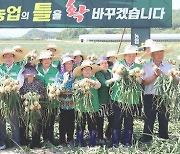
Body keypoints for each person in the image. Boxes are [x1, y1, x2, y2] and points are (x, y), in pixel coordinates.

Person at [140, 43, 179, 143]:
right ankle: (147, 139)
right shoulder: (146, 66)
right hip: (150, 95)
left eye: (161, 52)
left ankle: (163, 138)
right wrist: (155, 75)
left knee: (164, 117)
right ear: (152, 55)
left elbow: (177, 81)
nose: (160, 55)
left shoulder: (168, 66)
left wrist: (174, 76)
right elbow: (145, 82)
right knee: (149, 118)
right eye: (157, 53)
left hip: (164, 96)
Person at [109, 45, 143, 147]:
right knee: (117, 120)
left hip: (132, 99)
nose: (131, 57)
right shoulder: (118, 64)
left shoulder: (139, 67)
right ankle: (115, 142)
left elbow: (141, 81)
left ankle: (127, 142)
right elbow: (115, 78)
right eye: (129, 55)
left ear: (135, 56)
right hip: (118, 97)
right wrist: (120, 73)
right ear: (124, 56)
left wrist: (137, 77)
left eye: (133, 55)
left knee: (129, 120)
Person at [73, 60, 102, 147]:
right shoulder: (78, 79)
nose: (87, 71)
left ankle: (92, 143)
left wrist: (90, 82)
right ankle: (79, 142)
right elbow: (74, 86)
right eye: (85, 69)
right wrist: (81, 83)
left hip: (93, 107)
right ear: (81, 71)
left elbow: (98, 85)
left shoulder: (94, 79)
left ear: (91, 71)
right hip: (81, 107)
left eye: (89, 69)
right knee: (80, 125)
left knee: (92, 125)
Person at [0, 48, 25, 149]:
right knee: (1, 121)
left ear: (14, 58)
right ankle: (2, 143)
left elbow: (20, 83)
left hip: (14, 98)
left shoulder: (19, 69)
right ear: (4, 58)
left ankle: (16, 143)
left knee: (14, 121)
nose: (8, 58)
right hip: (2, 98)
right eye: (6, 56)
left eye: (10, 56)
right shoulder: (0, 68)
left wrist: (11, 87)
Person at [19, 63, 45, 148]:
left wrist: (36, 96)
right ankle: (24, 142)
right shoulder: (22, 82)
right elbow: (19, 94)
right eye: (28, 74)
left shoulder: (39, 82)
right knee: (24, 124)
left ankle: (36, 142)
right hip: (25, 107)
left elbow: (43, 94)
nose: (29, 75)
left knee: (36, 124)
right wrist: (24, 96)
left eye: (31, 74)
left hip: (36, 107)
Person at [36, 50, 59, 144]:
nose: (46, 61)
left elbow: (58, 84)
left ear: (51, 60)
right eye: (44, 59)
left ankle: (49, 141)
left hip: (52, 102)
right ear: (41, 61)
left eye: (48, 59)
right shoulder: (36, 71)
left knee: (50, 122)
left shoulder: (56, 71)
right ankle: (38, 142)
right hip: (39, 102)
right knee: (39, 122)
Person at [55, 56, 75, 147]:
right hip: (63, 102)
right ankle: (62, 140)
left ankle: (70, 139)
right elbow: (58, 89)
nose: (69, 65)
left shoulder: (75, 74)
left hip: (73, 102)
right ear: (64, 65)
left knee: (71, 121)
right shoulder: (59, 75)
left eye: (71, 63)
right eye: (67, 63)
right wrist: (65, 81)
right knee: (63, 122)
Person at [95, 56, 113, 145]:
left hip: (110, 100)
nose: (104, 65)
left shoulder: (110, 72)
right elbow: (104, 83)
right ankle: (100, 137)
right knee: (100, 119)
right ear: (99, 65)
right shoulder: (98, 73)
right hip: (101, 100)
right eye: (102, 63)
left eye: (106, 63)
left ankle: (108, 134)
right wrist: (114, 80)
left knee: (112, 119)